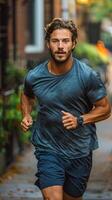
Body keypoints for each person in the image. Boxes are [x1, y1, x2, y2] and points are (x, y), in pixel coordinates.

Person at [20, 18, 111, 200]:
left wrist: (80, 120)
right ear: (48, 43)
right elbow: (27, 95)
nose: (60, 46)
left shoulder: (87, 75)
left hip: (79, 150)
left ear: (74, 43)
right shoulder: (35, 76)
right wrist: (27, 114)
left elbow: (105, 108)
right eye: (55, 41)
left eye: (65, 41)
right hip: (48, 148)